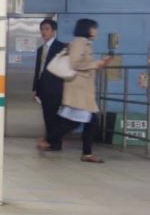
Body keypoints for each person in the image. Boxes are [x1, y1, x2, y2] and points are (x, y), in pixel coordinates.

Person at [39, 18, 112, 163]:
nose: (95, 31)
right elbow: (74, 63)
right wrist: (96, 64)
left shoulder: (84, 43)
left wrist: (98, 63)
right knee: (81, 122)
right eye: (93, 28)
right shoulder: (79, 43)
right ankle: (51, 139)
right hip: (79, 89)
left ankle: (85, 152)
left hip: (82, 90)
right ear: (87, 29)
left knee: (82, 121)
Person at [33, 19, 67, 151]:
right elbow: (38, 69)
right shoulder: (40, 49)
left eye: (46, 29)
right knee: (47, 115)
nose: (43, 32)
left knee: (54, 115)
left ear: (54, 31)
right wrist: (35, 88)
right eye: (42, 29)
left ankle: (55, 143)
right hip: (43, 87)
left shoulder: (61, 47)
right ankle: (51, 141)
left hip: (56, 87)